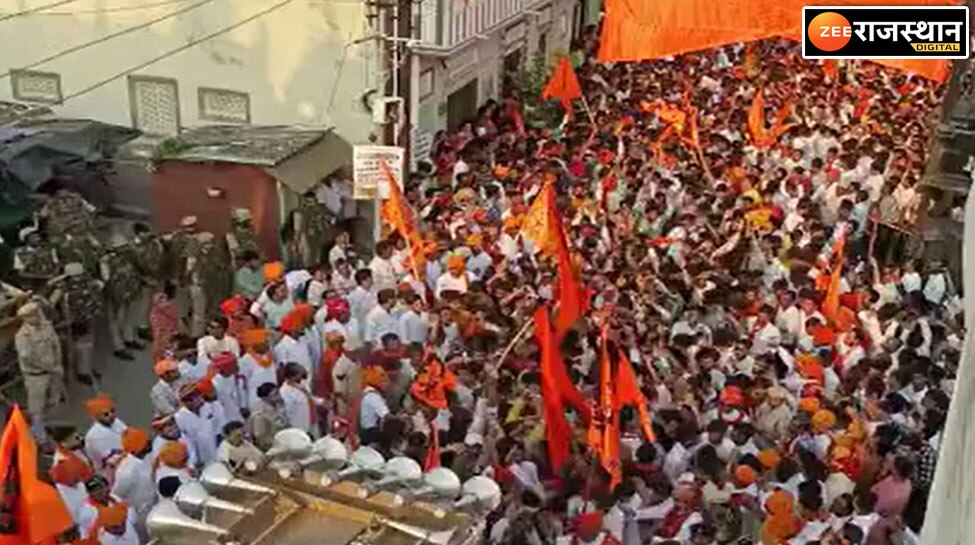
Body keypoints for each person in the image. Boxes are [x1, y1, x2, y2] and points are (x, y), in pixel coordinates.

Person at [14, 302, 65, 437]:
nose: (36, 317)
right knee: (37, 408)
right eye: (32, 316)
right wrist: (51, 367)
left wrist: (58, 363)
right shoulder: (23, 336)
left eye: (37, 313)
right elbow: (29, 358)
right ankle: (39, 436)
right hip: (36, 376)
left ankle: (49, 425)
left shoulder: (46, 326)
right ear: (25, 319)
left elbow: (56, 344)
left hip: (54, 371)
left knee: (54, 400)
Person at [49, 262, 103, 384]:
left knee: (80, 346)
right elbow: (101, 285)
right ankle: (84, 371)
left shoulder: (63, 288)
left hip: (74, 320)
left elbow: (51, 302)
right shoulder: (90, 283)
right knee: (84, 346)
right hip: (83, 318)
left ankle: (82, 370)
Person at [100, 233, 144, 361]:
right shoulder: (106, 260)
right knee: (114, 319)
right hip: (115, 292)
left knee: (128, 315)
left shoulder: (125, 257)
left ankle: (128, 338)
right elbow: (106, 277)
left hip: (127, 289)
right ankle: (118, 346)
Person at [111, 428, 155, 540]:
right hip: (140, 515)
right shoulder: (126, 472)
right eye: (144, 443)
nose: (149, 442)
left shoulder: (147, 456)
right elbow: (116, 495)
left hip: (153, 505)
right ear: (136, 451)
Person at [174, 383, 219, 466]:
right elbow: (185, 441)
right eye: (190, 399)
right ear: (184, 402)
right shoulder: (179, 417)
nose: (195, 400)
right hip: (198, 457)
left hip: (216, 450)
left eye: (197, 396)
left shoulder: (210, 407)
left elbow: (219, 428)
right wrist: (193, 460)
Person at [83, 395, 126, 479]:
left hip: (127, 463)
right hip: (111, 473)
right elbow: (112, 461)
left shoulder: (116, 422)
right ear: (96, 417)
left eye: (112, 411)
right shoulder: (94, 436)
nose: (111, 415)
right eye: (106, 414)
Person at [279, 362, 323, 437]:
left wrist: (321, 402)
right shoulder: (285, 391)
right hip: (299, 424)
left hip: (312, 419)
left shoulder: (303, 383)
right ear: (291, 376)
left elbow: (309, 397)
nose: (301, 375)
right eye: (298, 374)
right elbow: (288, 411)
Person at [239, 329, 277, 411]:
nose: (267, 344)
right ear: (256, 344)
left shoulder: (270, 355)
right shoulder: (246, 360)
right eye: (265, 342)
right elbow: (242, 384)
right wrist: (243, 405)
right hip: (256, 400)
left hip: (273, 397)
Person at [249, 382, 289, 450]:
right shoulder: (259, 413)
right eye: (275, 394)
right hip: (268, 446)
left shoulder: (278, 405)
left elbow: (284, 423)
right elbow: (259, 436)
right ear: (265, 397)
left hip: (281, 441)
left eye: (278, 393)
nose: (279, 396)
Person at [210, 352, 248, 423]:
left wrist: (244, 406)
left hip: (243, 415)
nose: (237, 366)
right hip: (229, 420)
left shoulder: (238, 376)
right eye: (233, 365)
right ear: (225, 369)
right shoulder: (216, 384)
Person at [358, 366, 390, 446]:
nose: (386, 383)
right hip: (370, 434)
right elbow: (387, 416)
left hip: (364, 432)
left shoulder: (366, 391)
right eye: (383, 380)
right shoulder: (373, 396)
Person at [148, 285, 181, 361]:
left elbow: (153, 322)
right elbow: (175, 318)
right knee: (169, 349)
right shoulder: (170, 308)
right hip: (169, 334)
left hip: (160, 335)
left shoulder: (154, 312)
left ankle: (159, 363)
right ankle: (167, 363)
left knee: (158, 349)